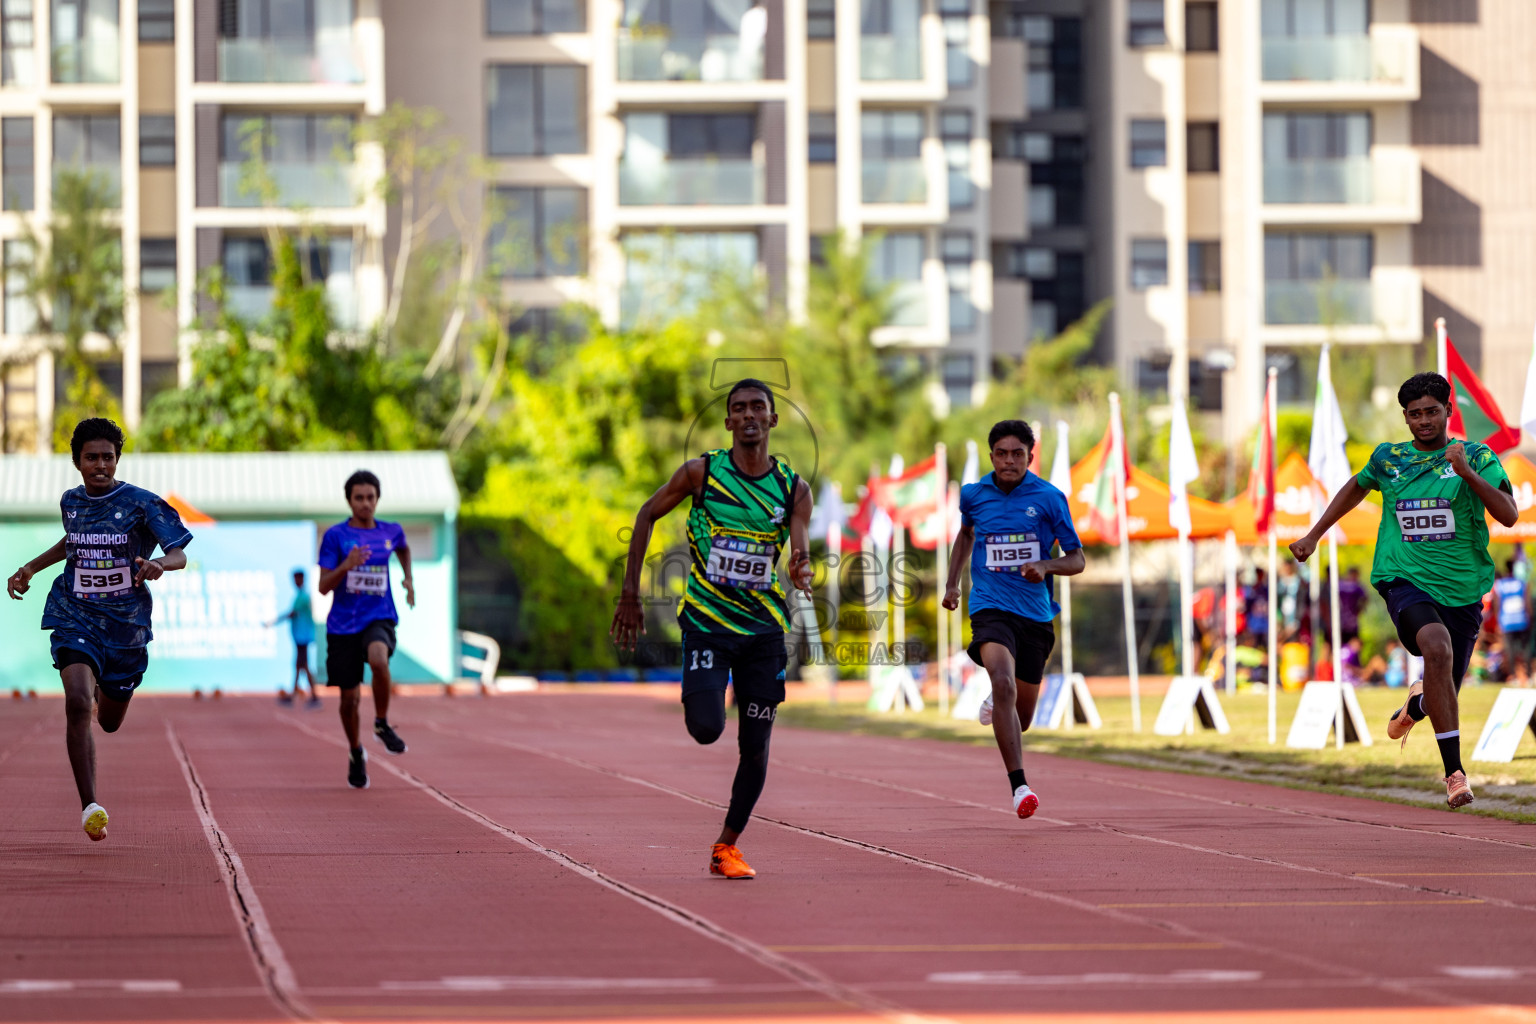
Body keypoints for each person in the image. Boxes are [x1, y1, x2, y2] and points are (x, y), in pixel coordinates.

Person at [611, 379, 813, 880]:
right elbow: (645, 514)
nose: (748, 415)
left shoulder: (793, 488)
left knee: (756, 743)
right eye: (739, 408)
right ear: (727, 422)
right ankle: (714, 686)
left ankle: (727, 845)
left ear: (772, 420)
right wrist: (630, 593)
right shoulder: (701, 474)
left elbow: (800, 542)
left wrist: (801, 565)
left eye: (758, 408)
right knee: (705, 729)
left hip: (765, 629)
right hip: (707, 622)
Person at [1290, 372, 1518, 808]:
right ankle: (1454, 774)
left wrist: (1466, 473)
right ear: (1406, 418)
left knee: (1441, 688)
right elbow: (1354, 488)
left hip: (1463, 589)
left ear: (1449, 411)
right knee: (1435, 646)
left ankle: (1415, 708)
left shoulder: (1478, 456)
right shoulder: (1389, 458)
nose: (1424, 421)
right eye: (1415, 415)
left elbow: (1508, 515)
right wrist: (1314, 534)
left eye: (1432, 412)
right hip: (1403, 578)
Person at [5, 418, 192, 842]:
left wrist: (160, 564)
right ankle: (90, 805)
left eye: (108, 457)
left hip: (125, 629)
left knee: (107, 722)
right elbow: (71, 542)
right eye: (92, 457)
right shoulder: (71, 501)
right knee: (75, 702)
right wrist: (30, 567)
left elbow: (178, 550)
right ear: (77, 461)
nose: (100, 465)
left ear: (117, 459)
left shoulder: (143, 503)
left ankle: (101, 694)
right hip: (74, 613)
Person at [942, 420, 1085, 819]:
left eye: (1017, 454)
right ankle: (1019, 787)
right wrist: (953, 584)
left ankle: (999, 701)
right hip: (989, 606)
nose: (1009, 461)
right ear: (991, 456)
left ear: (1030, 457)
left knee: (1021, 718)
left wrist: (1046, 564)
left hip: (1035, 614)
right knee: (1002, 682)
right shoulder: (973, 495)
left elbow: (1077, 559)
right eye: (1001, 453)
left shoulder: (1050, 498)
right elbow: (966, 535)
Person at [318, 470, 415, 789]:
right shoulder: (336, 536)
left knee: (379, 660)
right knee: (349, 700)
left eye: (370, 497)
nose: (365, 503)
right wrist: (347, 565)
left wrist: (408, 578)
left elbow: (403, 548)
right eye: (359, 498)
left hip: (379, 615)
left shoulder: (391, 531)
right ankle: (356, 752)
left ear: (377, 499)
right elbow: (323, 587)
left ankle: (382, 723)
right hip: (343, 625)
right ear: (349, 501)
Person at [269, 568, 320, 707]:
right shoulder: (300, 596)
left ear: (302, 579)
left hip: (303, 636)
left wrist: (273, 622)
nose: (296, 582)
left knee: (303, 665)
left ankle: (313, 696)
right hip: (300, 636)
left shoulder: (303, 597)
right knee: (299, 665)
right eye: (295, 579)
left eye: (298, 579)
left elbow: (291, 614)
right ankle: (295, 694)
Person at [1493, 560, 1530, 685]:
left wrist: (1499, 620)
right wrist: (1529, 616)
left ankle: (1513, 676)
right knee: (1525, 649)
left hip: (1506, 621)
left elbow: (1497, 603)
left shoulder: (1500, 584)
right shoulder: (1521, 583)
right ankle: (1528, 675)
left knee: (1510, 650)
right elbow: (1527, 601)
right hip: (1521, 619)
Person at [1339, 566, 1368, 643]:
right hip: (1349, 622)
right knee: (1353, 644)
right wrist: (1359, 610)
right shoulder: (1357, 587)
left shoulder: (1340, 584)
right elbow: (1365, 598)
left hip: (1342, 621)